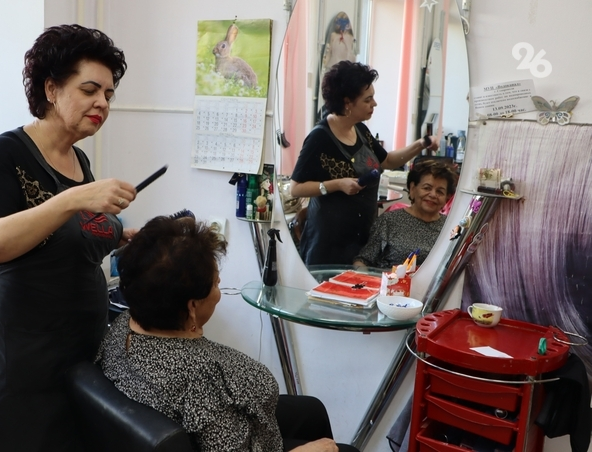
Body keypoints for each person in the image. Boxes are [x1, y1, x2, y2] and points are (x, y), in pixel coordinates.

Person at [0, 25, 137, 451]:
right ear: (51, 89)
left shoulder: (78, 159)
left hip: (80, 356)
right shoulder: (4, 153)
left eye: (109, 94)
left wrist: (127, 237)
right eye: (90, 90)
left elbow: (69, 240)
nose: (103, 103)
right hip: (21, 366)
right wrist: (73, 198)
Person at [96, 215, 360, 452]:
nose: (219, 285)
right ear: (191, 307)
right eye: (215, 283)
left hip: (227, 418)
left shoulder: (123, 324)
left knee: (312, 411)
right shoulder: (198, 378)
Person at [290, 60, 439, 266]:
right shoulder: (320, 138)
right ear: (347, 103)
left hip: (361, 237)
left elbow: (387, 161)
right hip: (328, 242)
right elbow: (295, 188)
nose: (374, 104)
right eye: (368, 99)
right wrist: (337, 184)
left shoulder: (360, 129)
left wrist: (422, 144)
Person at [354, 160, 457, 269]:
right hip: (388, 279)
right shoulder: (389, 221)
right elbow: (363, 260)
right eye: (427, 188)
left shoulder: (451, 228)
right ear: (412, 189)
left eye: (440, 192)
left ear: (447, 197)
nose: (433, 195)